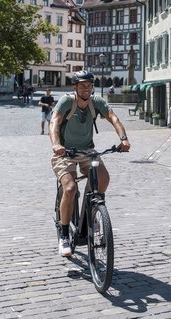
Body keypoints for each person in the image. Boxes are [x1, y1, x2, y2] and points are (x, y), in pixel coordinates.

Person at [50, 70, 131, 257]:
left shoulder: (96, 102)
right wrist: (56, 144)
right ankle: (64, 235)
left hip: (87, 151)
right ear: (75, 87)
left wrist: (124, 139)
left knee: (102, 179)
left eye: (89, 86)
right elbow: (54, 122)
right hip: (65, 153)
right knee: (69, 188)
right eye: (82, 86)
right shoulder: (66, 102)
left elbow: (113, 117)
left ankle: (92, 210)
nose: (86, 89)